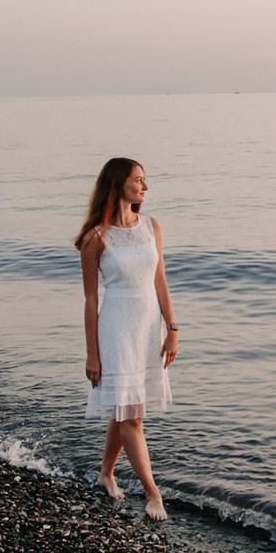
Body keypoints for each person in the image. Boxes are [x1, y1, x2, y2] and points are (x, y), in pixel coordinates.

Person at [77, 156, 179, 518]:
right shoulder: (96, 238)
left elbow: (160, 280)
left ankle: (106, 474)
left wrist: (171, 329)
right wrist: (93, 354)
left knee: (124, 409)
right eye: (138, 180)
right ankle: (154, 494)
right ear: (119, 183)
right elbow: (91, 300)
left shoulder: (151, 226)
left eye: (145, 180)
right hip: (117, 330)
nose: (145, 187)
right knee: (132, 416)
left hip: (148, 327)